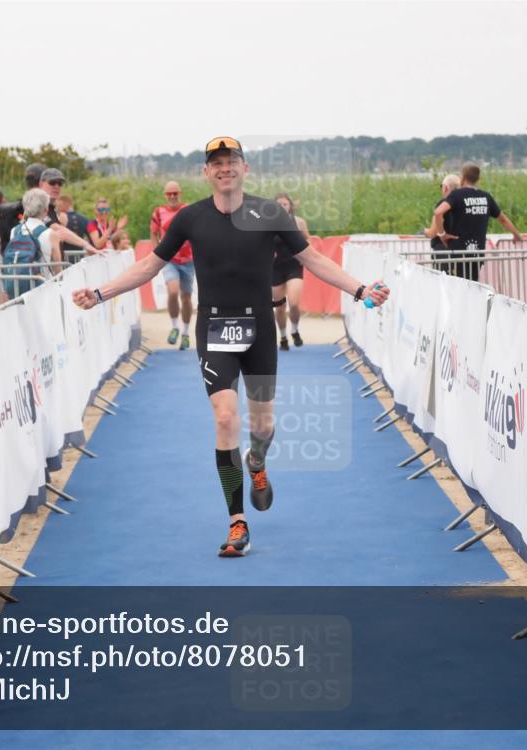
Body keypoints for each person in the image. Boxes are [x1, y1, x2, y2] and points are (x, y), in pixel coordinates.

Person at [72, 137, 389, 558]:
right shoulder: (189, 218)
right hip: (215, 326)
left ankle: (256, 461)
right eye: (216, 163)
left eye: (231, 161)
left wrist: (360, 289)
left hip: (259, 328)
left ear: (245, 168)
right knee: (225, 419)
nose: (224, 168)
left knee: (261, 426)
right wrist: (101, 292)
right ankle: (237, 521)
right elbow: (151, 265)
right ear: (206, 172)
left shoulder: (269, 213)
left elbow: (312, 259)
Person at [425, 162, 522, 281]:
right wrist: (517, 235)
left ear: (463, 178)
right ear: (478, 179)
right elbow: (502, 219)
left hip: (458, 252)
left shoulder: (457, 195)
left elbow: (438, 212)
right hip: (477, 252)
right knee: (473, 286)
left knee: (458, 288)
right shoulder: (486, 197)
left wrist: (442, 234)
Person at [150, 181, 195, 350]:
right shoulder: (159, 212)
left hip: (189, 260)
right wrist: (156, 254)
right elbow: (153, 233)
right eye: (169, 194)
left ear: (180, 193)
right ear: (165, 195)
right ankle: (175, 326)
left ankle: (185, 332)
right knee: (173, 291)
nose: (172, 196)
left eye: (175, 193)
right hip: (169, 260)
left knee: (186, 298)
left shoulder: (188, 210)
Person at [2, 188, 62, 298]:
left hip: (17, 289)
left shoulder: (15, 231)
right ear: (46, 209)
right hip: (42, 289)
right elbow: (57, 268)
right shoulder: (51, 234)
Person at [271, 192, 311, 351]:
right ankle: (283, 336)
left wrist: (306, 256)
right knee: (279, 307)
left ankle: (294, 330)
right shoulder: (268, 225)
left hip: (294, 265)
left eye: (285, 204)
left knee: (293, 303)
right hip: (275, 268)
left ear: (290, 207)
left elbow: (308, 240)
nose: (282, 207)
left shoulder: (299, 222)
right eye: (278, 205)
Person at [37, 168, 99, 263]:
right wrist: (86, 245)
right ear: (41, 184)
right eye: (52, 182)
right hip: (40, 268)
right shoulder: (39, 206)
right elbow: (58, 229)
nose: (56, 186)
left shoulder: (51, 208)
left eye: (60, 183)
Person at [426, 174, 461, 277]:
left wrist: (424, 231)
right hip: (460, 250)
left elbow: (432, 232)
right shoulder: (462, 203)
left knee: (442, 285)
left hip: (442, 251)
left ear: (445, 188)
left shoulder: (443, 204)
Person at [55, 194, 94, 263]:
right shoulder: (84, 219)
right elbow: (92, 239)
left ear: (65, 204)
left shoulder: (61, 217)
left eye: (58, 206)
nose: (56, 209)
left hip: (64, 258)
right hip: (80, 258)